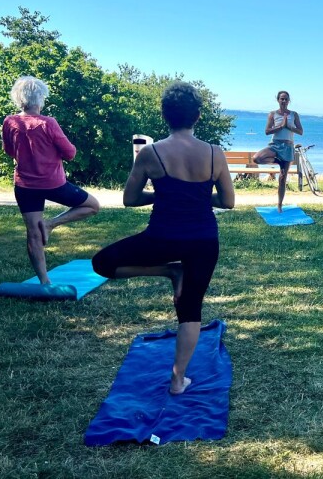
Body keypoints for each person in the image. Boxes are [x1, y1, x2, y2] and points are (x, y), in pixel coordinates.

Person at [92, 82, 235, 395]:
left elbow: (130, 199)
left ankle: (169, 270)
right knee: (191, 308)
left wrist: (163, 196)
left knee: (101, 263)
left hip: (161, 239)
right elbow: (227, 202)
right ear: (197, 116)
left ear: (165, 116)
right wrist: (197, 198)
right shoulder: (214, 154)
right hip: (203, 241)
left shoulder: (150, 153)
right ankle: (177, 379)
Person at [1, 76, 100, 284]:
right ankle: (51, 224)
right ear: (41, 98)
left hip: (25, 185)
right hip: (53, 184)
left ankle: (44, 282)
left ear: (18, 98)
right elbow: (70, 153)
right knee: (92, 206)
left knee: (33, 233)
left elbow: (9, 151)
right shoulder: (48, 123)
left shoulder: (10, 122)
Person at [252, 90, 303, 212]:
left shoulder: (294, 114)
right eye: (282, 99)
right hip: (275, 145)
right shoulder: (272, 114)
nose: (284, 101)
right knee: (257, 158)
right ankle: (278, 161)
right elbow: (267, 131)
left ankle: (279, 205)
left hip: (288, 147)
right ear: (278, 100)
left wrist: (289, 127)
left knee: (282, 178)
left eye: (286, 99)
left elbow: (300, 131)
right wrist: (281, 126)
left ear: (289, 101)